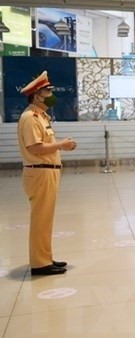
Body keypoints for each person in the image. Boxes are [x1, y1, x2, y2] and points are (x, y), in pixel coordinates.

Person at [17, 71, 77, 276]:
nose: (52, 94)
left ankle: (45, 257)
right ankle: (39, 263)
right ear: (37, 95)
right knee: (40, 220)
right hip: (39, 173)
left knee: (46, 220)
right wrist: (62, 144)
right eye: (47, 90)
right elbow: (34, 147)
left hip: (46, 172)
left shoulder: (41, 116)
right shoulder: (30, 118)